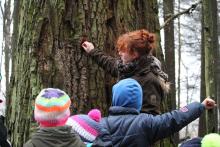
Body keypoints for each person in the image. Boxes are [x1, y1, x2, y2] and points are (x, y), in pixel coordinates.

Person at [91, 78, 216, 147]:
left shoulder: (99, 125)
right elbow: (176, 117)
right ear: (139, 102)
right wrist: (200, 106)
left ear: (115, 99)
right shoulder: (146, 122)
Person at [82, 29, 170, 115]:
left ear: (135, 54)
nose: (119, 53)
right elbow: (110, 64)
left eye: (123, 50)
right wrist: (92, 51)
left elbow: (149, 117)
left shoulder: (150, 80)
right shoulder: (127, 68)